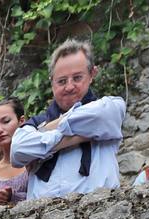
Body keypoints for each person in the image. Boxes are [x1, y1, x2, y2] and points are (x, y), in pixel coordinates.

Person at [10, 40, 127, 199]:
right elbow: (17, 150)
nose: (69, 87)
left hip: (99, 211)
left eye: (77, 78)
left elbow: (99, 116)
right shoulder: (38, 123)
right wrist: (80, 136)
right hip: (41, 217)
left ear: (92, 74)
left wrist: (43, 139)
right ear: (52, 82)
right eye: (62, 81)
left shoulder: (111, 107)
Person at [0, 98, 31, 205]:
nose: (0, 130)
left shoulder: (37, 161)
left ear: (21, 121)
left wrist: (13, 196)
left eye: (6, 122)